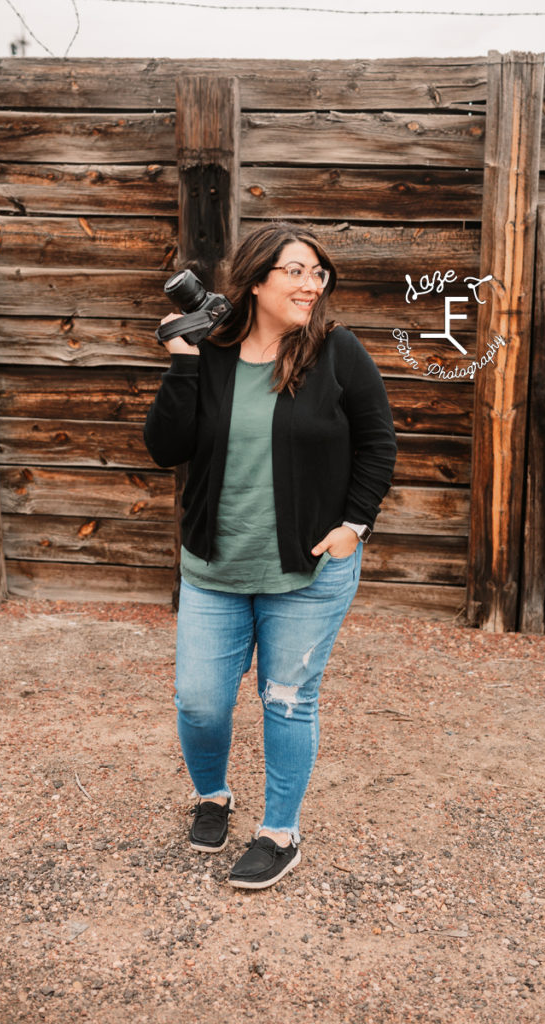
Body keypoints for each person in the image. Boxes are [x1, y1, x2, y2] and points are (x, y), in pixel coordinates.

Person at [144, 222, 397, 890]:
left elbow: (378, 442)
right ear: (255, 280)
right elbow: (166, 448)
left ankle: (279, 832)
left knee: (286, 699)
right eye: (294, 271)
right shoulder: (214, 354)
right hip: (215, 567)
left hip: (307, 570)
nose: (310, 283)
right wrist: (182, 361)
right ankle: (212, 795)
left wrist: (354, 525)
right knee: (200, 702)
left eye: (316, 272)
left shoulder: (337, 353)